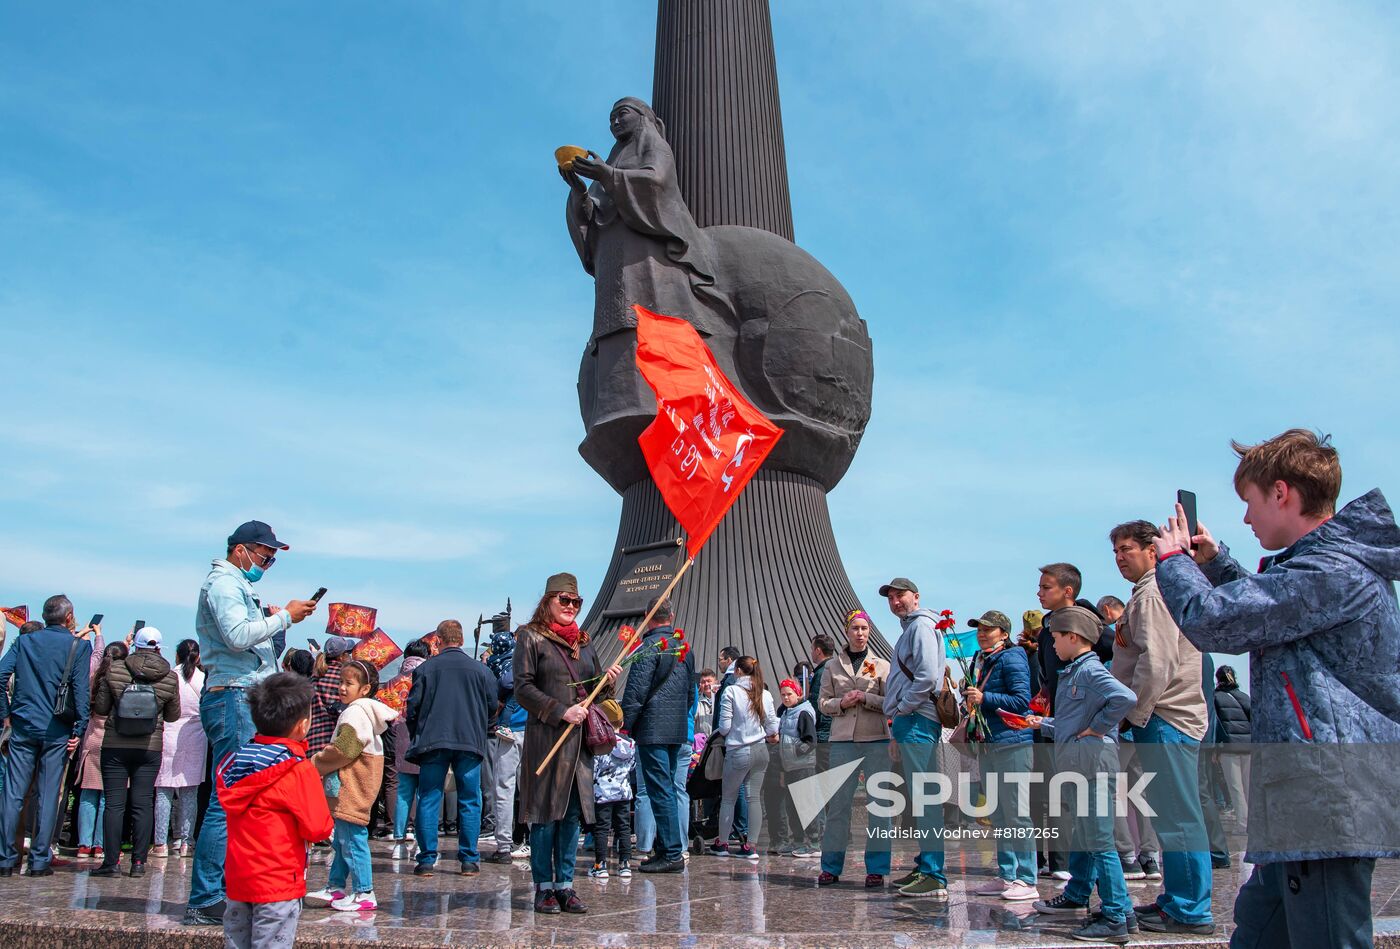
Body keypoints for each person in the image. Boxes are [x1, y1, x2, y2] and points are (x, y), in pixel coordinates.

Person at [1153, 429, 1400, 948]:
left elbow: (1215, 620)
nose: (1246, 518)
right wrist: (1215, 564)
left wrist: (1173, 562)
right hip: (1309, 793)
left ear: (1282, 493)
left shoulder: (1331, 571)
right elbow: (1271, 611)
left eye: (1250, 503)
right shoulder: (1327, 568)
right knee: (1261, 933)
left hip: (1325, 796)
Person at [186, 521, 318, 927]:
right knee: (229, 799)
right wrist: (284, 620)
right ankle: (206, 896)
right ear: (241, 549)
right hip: (232, 696)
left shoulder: (237, 585)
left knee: (236, 797)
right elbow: (238, 635)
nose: (268, 563)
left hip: (239, 693)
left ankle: (219, 890)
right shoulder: (224, 584)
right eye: (265, 556)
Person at [1107, 519, 1213, 935]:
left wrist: (1135, 713)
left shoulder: (1152, 594)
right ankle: (1177, 898)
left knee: (1178, 816)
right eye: (1116, 551)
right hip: (1163, 716)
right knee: (1171, 815)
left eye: (1128, 549)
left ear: (1153, 550)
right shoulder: (1148, 593)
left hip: (1165, 715)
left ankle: (1190, 909)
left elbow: (1157, 662)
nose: (1120, 558)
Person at [1029, 606, 1139, 944]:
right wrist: (1042, 724)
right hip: (1080, 764)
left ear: (1074, 638)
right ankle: (1123, 912)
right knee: (1093, 840)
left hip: (1092, 766)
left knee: (1100, 843)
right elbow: (1071, 723)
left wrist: (1099, 728)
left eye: (1057, 639)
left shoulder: (1089, 670)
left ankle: (1115, 916)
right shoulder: (1074, 671)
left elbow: (1125, 697)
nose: (1053, 647)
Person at [514, 573, 621, 915]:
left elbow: (596, 692)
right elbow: (523, 689)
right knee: (546, 814)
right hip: (548, 739)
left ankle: (565, 885)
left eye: (576, 602)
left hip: (580, 745)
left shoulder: (585, 643)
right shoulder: (530, 637)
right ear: (547, 601)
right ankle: (543, 886)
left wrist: (607, 683)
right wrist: (560, 711)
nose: (571, 607)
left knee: (573, 816)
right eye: (564, 600)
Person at [219, 672, 334, 949]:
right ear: (302, 725)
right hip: (279, 881)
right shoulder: (297, 769)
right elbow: (317, 827)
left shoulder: (236, 762)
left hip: (238, 879)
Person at [0, 594, 94, 877]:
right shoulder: (79, 645)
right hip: (56, 729)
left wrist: (7, 714)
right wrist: (78, 728)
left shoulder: (25, 641)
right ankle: (40, 859)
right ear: (69, 617)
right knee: (48, 794)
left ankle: (5, 858)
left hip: (24, 724)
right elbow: (80, 692)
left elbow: (1, 675)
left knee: (14, 793)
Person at [1033, 564, 1110, 879]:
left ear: (1068, 591)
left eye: (1046, 587)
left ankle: (1097, 883)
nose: (1039, 593)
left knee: (1089, 808)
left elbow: (1114, 654)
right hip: (1059, 722)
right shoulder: (1045, 629)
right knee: (1068, 797)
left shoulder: (1086, 622)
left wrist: (1100, 716)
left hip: (1084, 727)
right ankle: (1077, 879)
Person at [404, 619, 498, 876]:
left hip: (434, 739)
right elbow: (492, 703)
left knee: (429, 797)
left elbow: (412, 708)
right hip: (469, 739)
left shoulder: (426, 669)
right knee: (470, 799)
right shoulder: (481, 670)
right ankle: (468, 858)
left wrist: (417, 734)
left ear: (438, 641)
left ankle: (426, 859)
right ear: (462, 640)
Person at [306, 659, 397, 911]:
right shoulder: (365, 710)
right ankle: (335, 886)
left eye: (349, 683)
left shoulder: (354, 712)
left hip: (351, 786)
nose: (342, 688)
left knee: (352, 839)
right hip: (358, 785)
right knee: (343, 840)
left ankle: (364, 892)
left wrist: (315, 762)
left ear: (365, 688)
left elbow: (345, 749)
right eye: (340, 682)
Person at [90, 626, 181, 876]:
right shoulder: (170, 677)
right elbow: (173, 716)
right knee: (143, 803)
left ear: (136, 645)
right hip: (149, 745)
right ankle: (139, 863)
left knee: (114, 804)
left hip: (116, 744)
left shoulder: (116, 669)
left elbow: (100, 707)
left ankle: (111, 862)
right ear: (158, 647)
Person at [960, 610, 1037, 902]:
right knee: (999, 814)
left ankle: (1027, 877)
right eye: (979, 628)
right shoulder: (980, 660)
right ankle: (1006, 874)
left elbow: (1021, 700)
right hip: (989, 742)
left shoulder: (1012, 657)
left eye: (988, 629)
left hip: (1012, 742)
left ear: (1004, 633)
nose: (982, 633)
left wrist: (985, 698)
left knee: (1016, 812)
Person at [880, 577, 949, 899]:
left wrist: (903, 709)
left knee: (925, 796)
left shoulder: (921, 627)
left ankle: (934, 873)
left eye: (900, 595)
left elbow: (926, 678)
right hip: (911, 720)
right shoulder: (911, 628)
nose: (895, 602)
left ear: (916, 597)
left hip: (918, 718)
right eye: (891, 597)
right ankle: (925, 864)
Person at [817, 609, 891, 886]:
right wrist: (841, 703)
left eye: (864, 628)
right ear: (846, 632)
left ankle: (877, 868)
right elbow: (822, 703)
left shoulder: (882, 665)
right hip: (843, 741)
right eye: (855, 628)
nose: (860, 633)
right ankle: (831, 866)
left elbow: (890, 702)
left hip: (875, 738)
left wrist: (866, 697)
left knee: (879, 804)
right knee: (838, 805)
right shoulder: (832, 667)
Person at [620, 597, 695, 873]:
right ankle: (667, 847)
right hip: (676, 730)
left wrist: (625, 725)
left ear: (646, 616)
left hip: (652, 730)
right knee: (670, 790)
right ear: (672, 615)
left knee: (659, 790)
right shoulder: (683, 649)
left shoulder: (648, 648)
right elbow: (690, 693)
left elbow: (636, 692)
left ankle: (672, 853)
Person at [710, 656, 779, 859]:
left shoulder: (731, 691)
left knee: (729, 798)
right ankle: (751, 846)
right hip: (760, 750)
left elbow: (724, 727)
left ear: (738, 671)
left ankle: (722, 843)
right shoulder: (765, 694)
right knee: (754, 798)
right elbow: (773, 726)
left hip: (738, 750)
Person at [153, 638, 207, 859]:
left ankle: (160, 843)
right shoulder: (203, 679)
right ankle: (186, 841)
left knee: (163, 790)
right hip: (196, 733)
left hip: (168, 731)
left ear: (177, 655)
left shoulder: (167, 676)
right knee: (189, 792)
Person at [75, 641, 126, 862]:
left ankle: (84, 844)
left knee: (88, 793)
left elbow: (95, 658)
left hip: (92, 736)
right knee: (108, 795)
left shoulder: (94, 677)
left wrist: (99, 638)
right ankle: (100, 843)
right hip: (113, 737)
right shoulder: (123, 679)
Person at [483, 623, 529, 864]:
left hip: (512, 729)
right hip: (533, 728)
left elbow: (506, 683)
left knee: (504, 786)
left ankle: (503, 844)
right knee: (528, 787)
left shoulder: (514, 662)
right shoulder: (541, 658)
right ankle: (529, 839)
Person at [388, 641, 429, 858]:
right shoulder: (428, 675)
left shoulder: (393, 682)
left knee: (404, 789)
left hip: (399, 732)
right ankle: (423, 842)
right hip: (423, 734)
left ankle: (399, 841)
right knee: (425, 791)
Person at [588, 700, 636, 879]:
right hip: (624, 793)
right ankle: (625, 864)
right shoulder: (630, 744)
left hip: (603, 793)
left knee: (601, 828)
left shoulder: (601, 744)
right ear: (622, 723)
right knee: (623, 828)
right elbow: (632, 766)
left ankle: (600, 865)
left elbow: (594, 769)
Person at [771, 678, 817, 856]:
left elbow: (810, 741)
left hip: (802, 766)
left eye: (789, 694)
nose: (785, 698)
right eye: (783, 695)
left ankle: (814, 841)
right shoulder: (785, 713)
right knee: (792, 806)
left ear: (798, 693)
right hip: (789, 766)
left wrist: (795, 751)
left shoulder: (803, 713)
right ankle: (798, 839)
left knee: (805, 804)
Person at [1212, 664, 1251, 831]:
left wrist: (1215, 749)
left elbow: (1215, 725)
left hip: (1229, 748)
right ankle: (1255, 823)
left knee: (1236, 789)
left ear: (1217, 679)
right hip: (1249, 747)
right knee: (1249, 787)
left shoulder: (1215, 697)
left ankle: (1243, 825)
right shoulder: (1244, 696)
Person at [308, 637, 354, 757]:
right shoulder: (346, 678)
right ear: (341, 657)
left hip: (312, 740)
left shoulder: (314, 676)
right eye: (347, 653)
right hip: (336, 742)